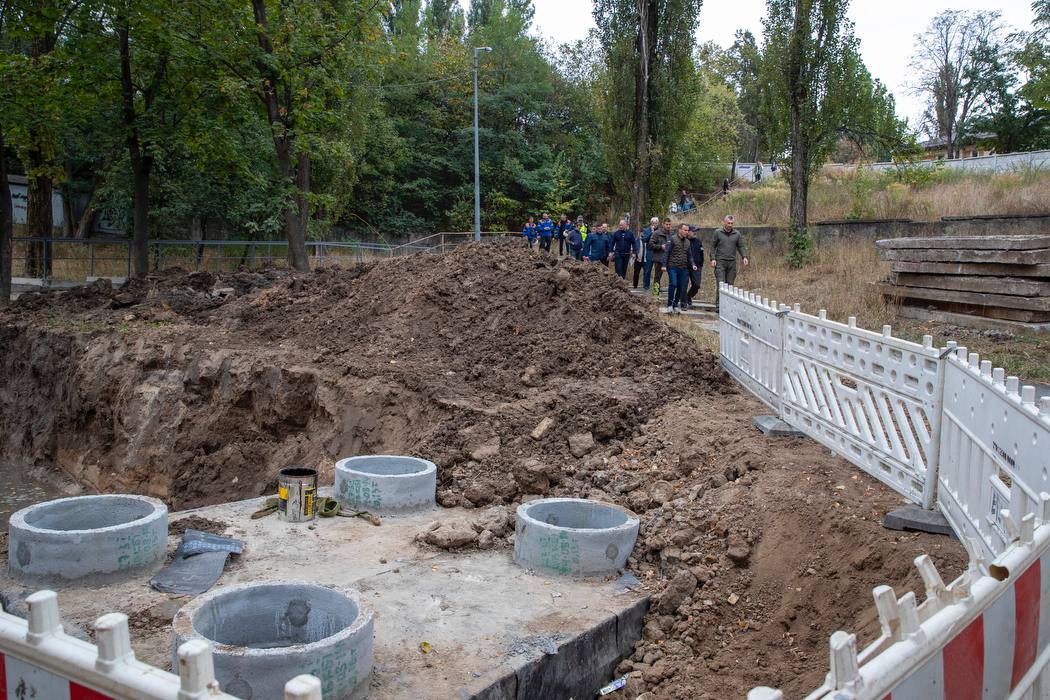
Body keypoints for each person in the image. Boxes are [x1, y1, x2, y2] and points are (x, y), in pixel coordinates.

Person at [710, 214, 749, 309]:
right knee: (721, 284)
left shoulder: (736, 234)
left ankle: (728, 306)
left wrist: (744, 256)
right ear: (724, 222)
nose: (730, 225)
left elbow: (740, 246)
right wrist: (713, 258)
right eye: (728, 223)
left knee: (730, 285)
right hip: (720, 262)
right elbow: (712, 246)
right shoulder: (718, 232)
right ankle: (719, 306)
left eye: (732, 223)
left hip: (731, 262)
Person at [662, 223, 698, 314]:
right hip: (672, 267)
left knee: (681, 286)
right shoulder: (673, 239)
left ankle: (675, 305)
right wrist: (664, 265)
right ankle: (669, 305)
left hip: (683, 268)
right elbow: (666, 253)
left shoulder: (687, 242)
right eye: (685, 230)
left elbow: (689, 255)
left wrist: (693, 264)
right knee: (673, 284)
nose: (687, 232)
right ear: (680, 230)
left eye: (687, 230)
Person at [648, 217, 672, 294]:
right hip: (659, 258)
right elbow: (650, 245)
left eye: (669, 224)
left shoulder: (671, 234)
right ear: (662, 224)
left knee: (672, 277)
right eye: (666, 224)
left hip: (669, 259)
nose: (668, 226)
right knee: (657, 277)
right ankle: (655, 294)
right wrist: (660, 246)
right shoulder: (657, 233)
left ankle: (671, 295)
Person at [633, 217, 658, 289]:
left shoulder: (660, 231)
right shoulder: (646, 230)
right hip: (649, 252)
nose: (654, 225)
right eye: (653, 223)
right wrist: (651, 233)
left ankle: (656, 287)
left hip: (657, 252)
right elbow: (644, 239)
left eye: (656, 223)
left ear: (658, 224)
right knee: (647, 270)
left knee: (657, 272)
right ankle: (646, 286)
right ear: (651, 223)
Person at [685, 226, 704, 308]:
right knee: (683, 284)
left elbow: (701, 253)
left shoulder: (698, 242)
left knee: (697, 285)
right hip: (685, 266)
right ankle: (683, 301)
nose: (695, 232)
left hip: (697, 266)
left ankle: (688, 296)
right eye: (693, 231)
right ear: (688, 232)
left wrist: (701, 263)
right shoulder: (684, 241)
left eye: (696, 231)